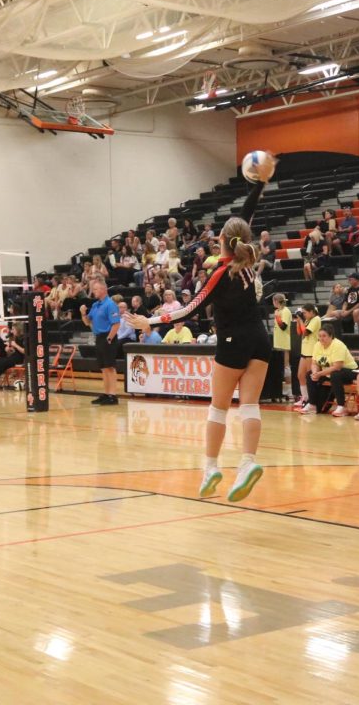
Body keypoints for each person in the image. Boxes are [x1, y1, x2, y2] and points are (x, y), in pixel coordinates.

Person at [124, 175, 273, 501]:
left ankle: (211, 467)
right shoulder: (244, 260)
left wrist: (149, 321)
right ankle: (247, 462)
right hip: (261, 339)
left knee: (218, 409)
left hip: (233, 343)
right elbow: (245, 216)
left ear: (220, 238)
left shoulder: (221, 273)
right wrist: (259, 185)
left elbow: (187, 309)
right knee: (250, 406)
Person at [300, 323, 357, 417]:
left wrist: (319, 374)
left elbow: (337, 367)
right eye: (319, 336)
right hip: (328, 372)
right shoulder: (317, 345)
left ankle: (341, 406)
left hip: (348, 371)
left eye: (324, 336)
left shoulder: (338, 345)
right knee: (309, 375)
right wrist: (315, 372)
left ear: (331, 336)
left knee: (335, 374)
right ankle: (312, 404)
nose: (321, 338)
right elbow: (314, 363)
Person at [82, 278, 121, 406]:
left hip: (108, 337)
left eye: (96, 289)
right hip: (99, 337)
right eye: (93, 289)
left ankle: (113, 395)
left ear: (104, 289)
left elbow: (116, 324)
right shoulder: (95, 305)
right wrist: (83, 314)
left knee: (110, 367)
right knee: (103, 368)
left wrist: (109, 338)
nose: (93, 292)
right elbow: (88, 322)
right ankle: (106, 393)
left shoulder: (110, 304)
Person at [293, 304, 321, 408]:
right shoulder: (307, 320)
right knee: (300, 375)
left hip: (311, 352)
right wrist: (298, 320)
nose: (303, 314)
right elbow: (299, 332)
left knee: (310, 377)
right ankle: (305, 397)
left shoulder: (316, 319)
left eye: (305, 312)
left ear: (312, 312)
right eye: (303, 313)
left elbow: (306, 332)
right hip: (304, 352)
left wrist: (300, 320)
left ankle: (312, 400)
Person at [271, 293, 292, 398]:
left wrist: (277, 317)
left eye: (273, 301)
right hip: (277, 342)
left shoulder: (285, 311)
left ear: (276, 301)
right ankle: (283, 389)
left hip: (284, 342)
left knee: (286, 366)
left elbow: (283, 326)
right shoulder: (278, 311)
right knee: (280, 367)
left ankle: (290, 390)